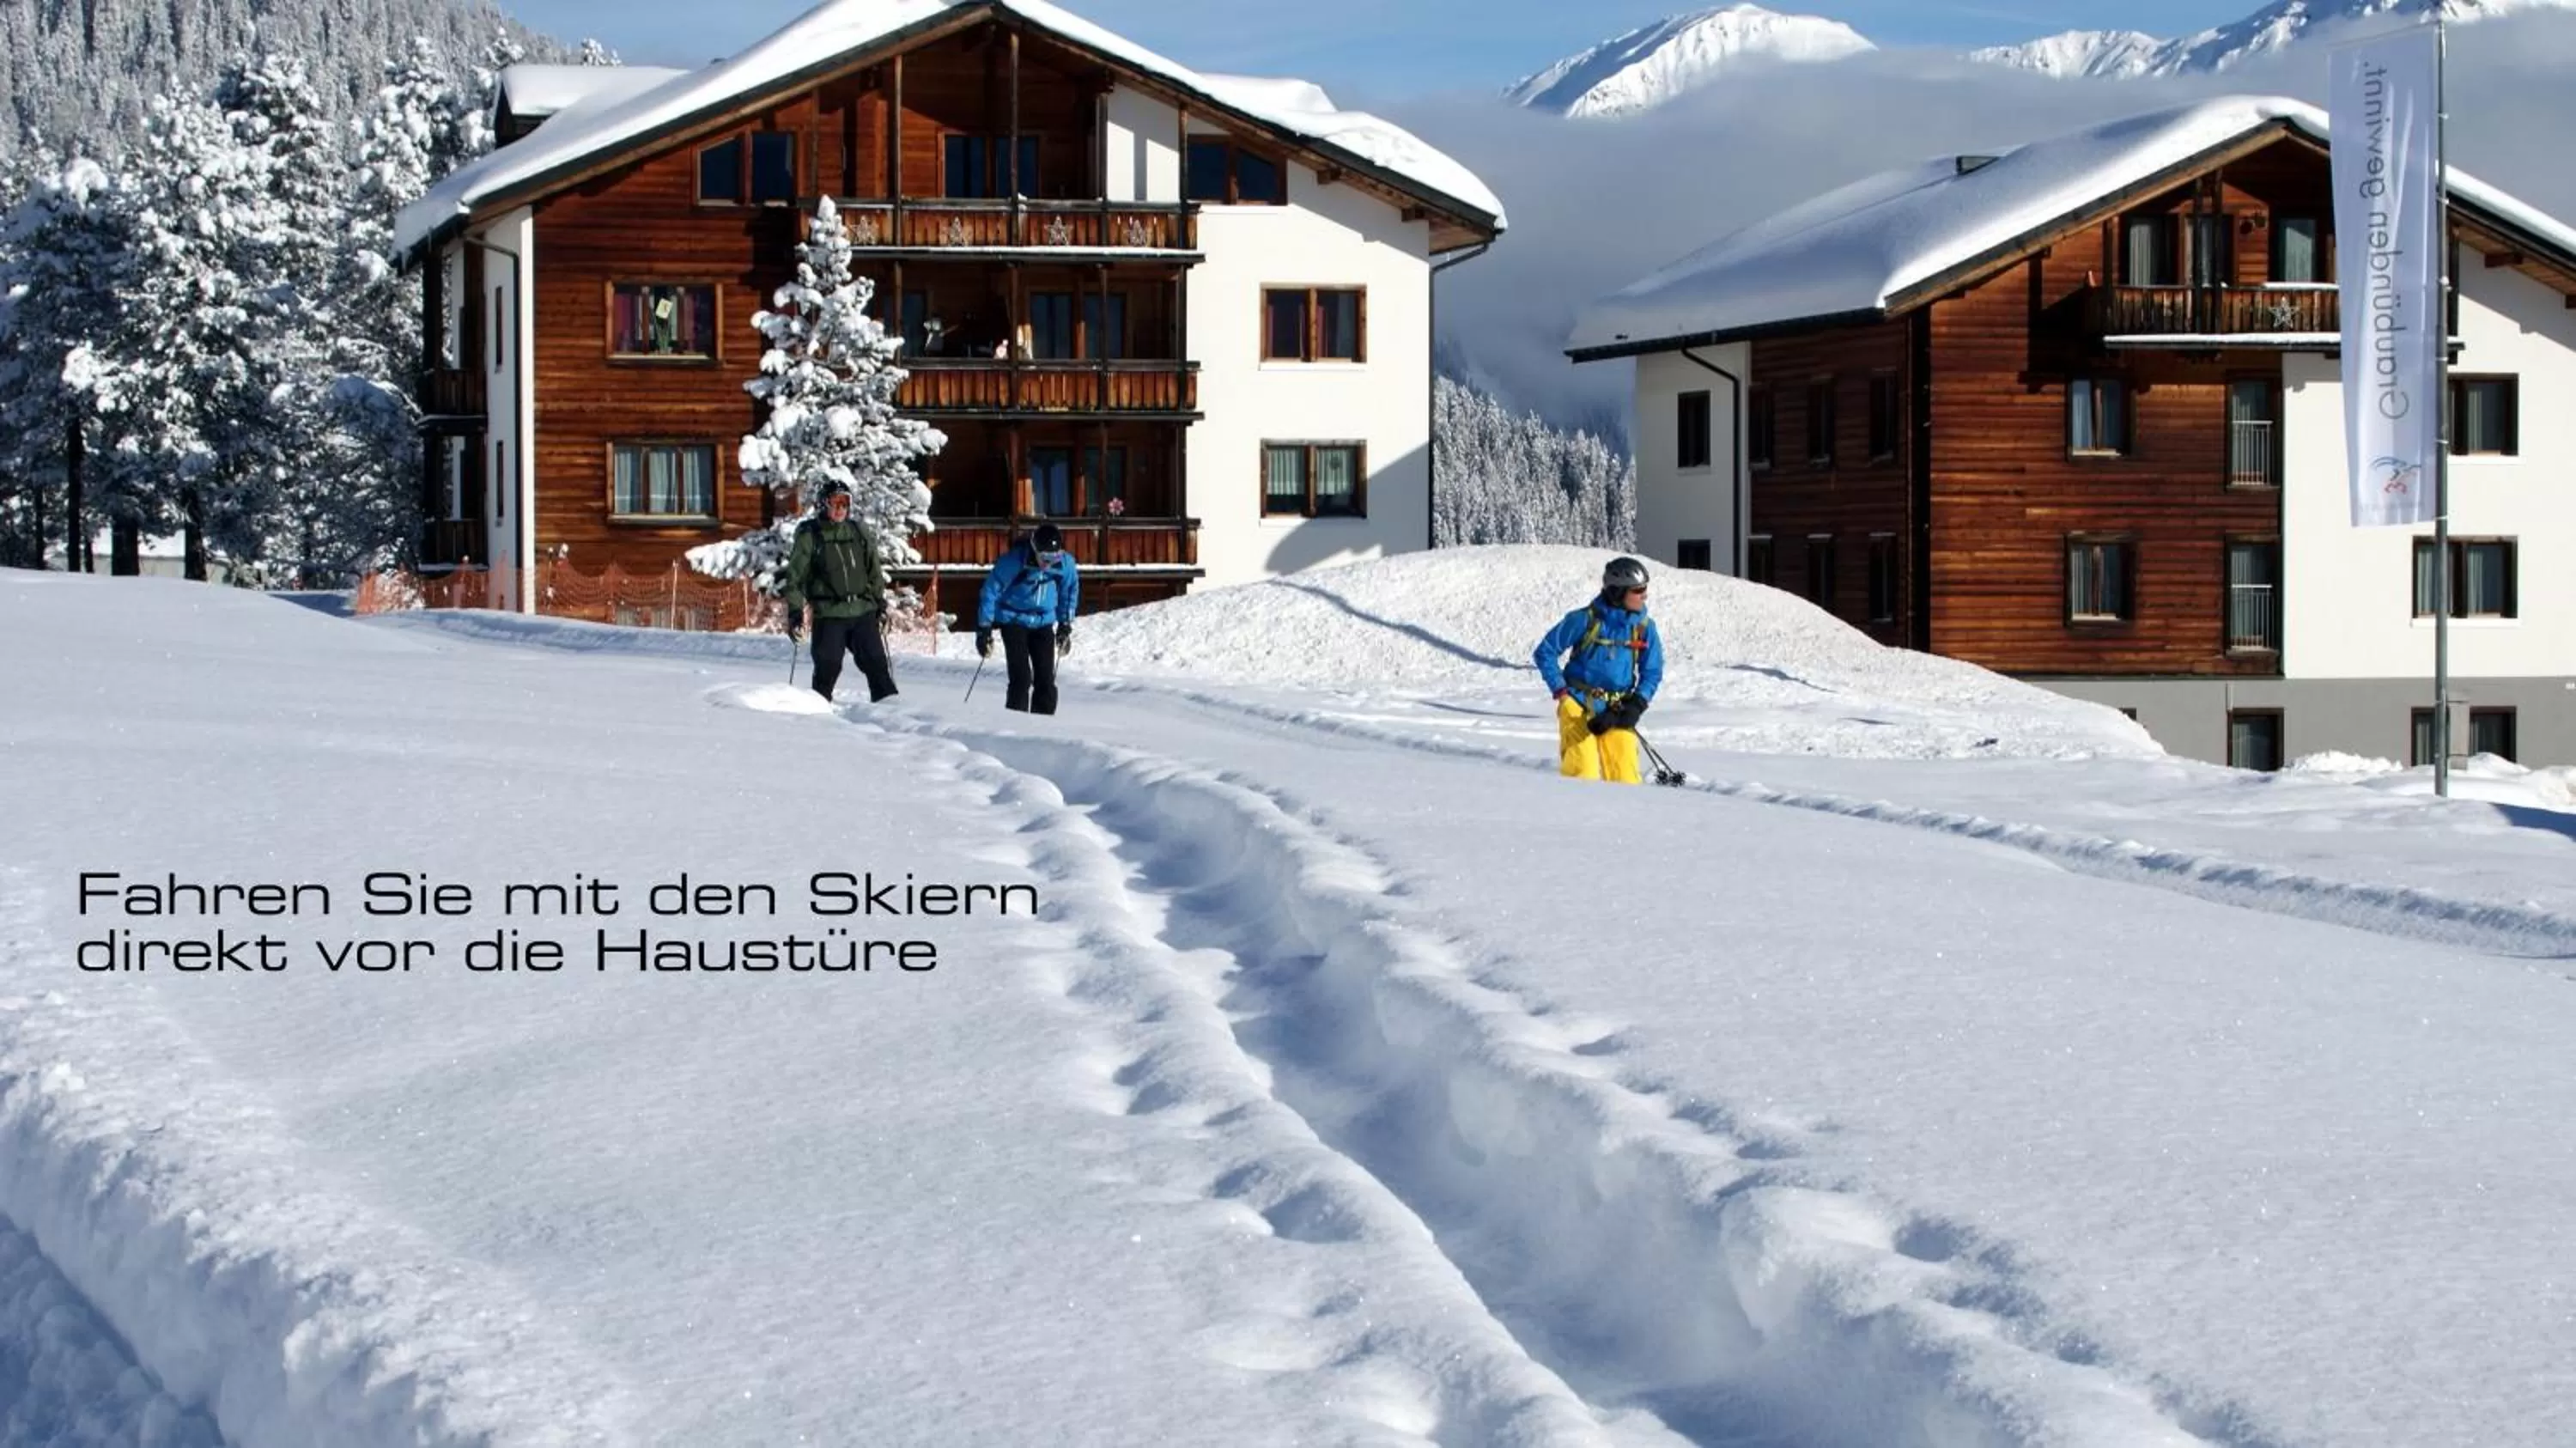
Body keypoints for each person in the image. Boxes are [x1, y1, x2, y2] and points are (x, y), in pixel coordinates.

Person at [1533, 557, 1664, 784]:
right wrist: (1561, 692)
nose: (1645, 595)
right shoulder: (1584, 619)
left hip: (1617, 709)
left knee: (1626, 778)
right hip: (1578, 704)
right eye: (1638, 590)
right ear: (1617, 592)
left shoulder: (1645, 628)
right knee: (1584, 774)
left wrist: (1637, 704)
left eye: (1645, 589)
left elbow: (1652, 671)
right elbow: (1545, 652)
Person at [780, 482, 899, 704]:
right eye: (835, 502)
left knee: (877, 667)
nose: (840, 508)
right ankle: (818, 720)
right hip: (830, 615)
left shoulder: (858, 532)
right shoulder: (810, 535)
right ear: (824, 504)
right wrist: (796, 613)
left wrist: (880, 604)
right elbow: (795, 579)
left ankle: (892, 716)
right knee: (828, 669)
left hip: (862, 611)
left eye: (845, 503)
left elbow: (874, 571)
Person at [975, 522, 1080, 715]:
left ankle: (1043, 727)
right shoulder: (1013, 561)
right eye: (1045, 557)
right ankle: (1016, 725)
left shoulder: (1065, 565)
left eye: (1054, 557)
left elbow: (1069, 592)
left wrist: (1065, 624)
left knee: (1046, 680)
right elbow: (990, 591)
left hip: (1043, 623)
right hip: (1013, 620)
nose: (1048, 563)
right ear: (1034, 549)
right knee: (1021, 678)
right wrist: (984, 628)